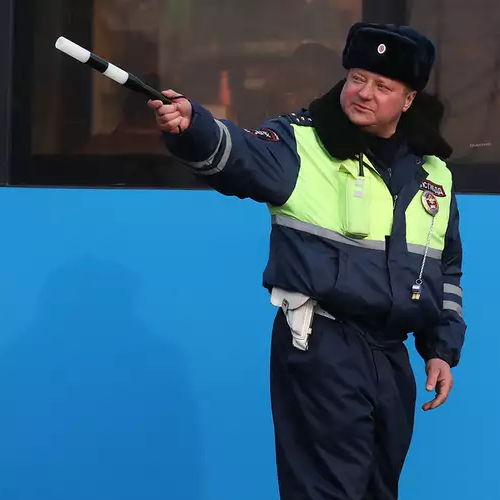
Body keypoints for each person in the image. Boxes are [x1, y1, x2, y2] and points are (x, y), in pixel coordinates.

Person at [148, 22, 466, 500]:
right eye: (357, 78)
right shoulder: (301, 142)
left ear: (408, 100)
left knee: (377, 490)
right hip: (322, 345)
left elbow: (446, 271)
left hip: (391, 354)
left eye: (383, 86)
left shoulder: (432, 172)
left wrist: (440, 347)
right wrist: (193, 127)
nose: (364, 92)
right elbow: (240, 155)